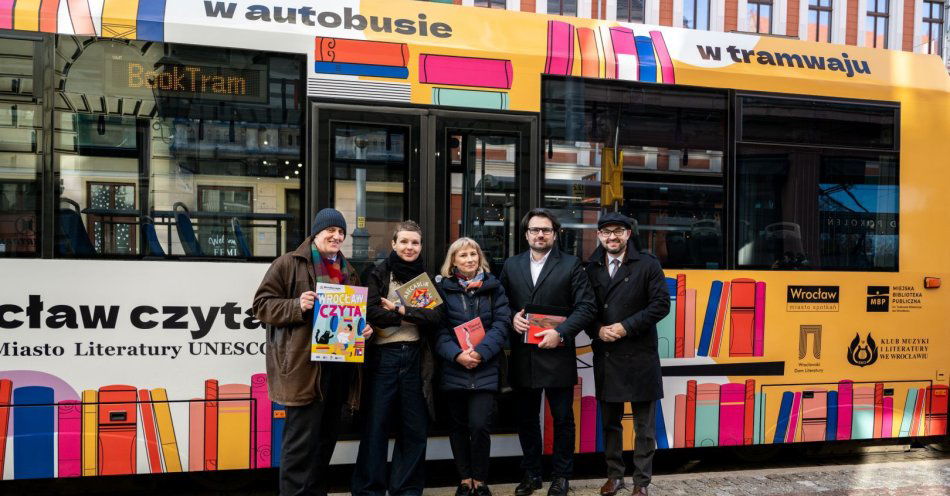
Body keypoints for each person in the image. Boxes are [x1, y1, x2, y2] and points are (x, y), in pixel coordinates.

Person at [252, 207, 373, 496]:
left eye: (341, 232)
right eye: (330, 230)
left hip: (339, 366)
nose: (336, 236)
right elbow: (261, 306)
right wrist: (297, 305)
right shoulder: (288, 263)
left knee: (325, 441)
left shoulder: (349, 271)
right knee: (299, 444)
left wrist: (362, 329)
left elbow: (349, 319)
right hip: (304, 369)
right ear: (316, 233)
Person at [499, 208, 596, 496]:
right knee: (527, 419)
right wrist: (509, 319)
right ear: (526, 234)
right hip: (523, 356)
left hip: (557, 354)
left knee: (563, 419)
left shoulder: (571, 265)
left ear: (555, 234)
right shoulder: (511, 265)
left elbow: (587, 307)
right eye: (534, 230)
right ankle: (532, 474)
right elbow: (499, 303)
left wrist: (561, 333)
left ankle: (561, 477)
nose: (540, 234)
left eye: (546, 230)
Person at [583, 212, 670, 496]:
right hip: (606, 354)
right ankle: (615, 476)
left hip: (641, 355)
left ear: (628, 234)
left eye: (618, 231)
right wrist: (598, 330)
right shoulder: (591, 268)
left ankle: (641, 483)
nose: (612, 237)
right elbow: (585, 309)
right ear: (599, 236)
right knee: (610, 424)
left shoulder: (647, 264)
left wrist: (624, 327)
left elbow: (660, 306)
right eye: (606, 232)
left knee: (644, 429)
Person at [352, 221, 442, 496]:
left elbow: (436, 317)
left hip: (415, 359)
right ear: (393, 244)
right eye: (404, 241)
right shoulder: (378, 273)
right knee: (376, 428)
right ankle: (369, 490)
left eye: (414, 242)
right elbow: (369, 312)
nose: (409, 247)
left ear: (421, 246)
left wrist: (401, 311)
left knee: (414, 429)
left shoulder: (423, 277)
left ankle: (407, 489)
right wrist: (410, 314)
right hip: (384, 358)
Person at [434, 237, 510, 496]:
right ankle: (465, 479)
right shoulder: (443, 290)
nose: (469, 259)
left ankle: (480, 479)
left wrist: (479, 352)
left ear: (480, 258)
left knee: (479, 426)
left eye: (473, 254)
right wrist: (457, 355)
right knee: (457, 427)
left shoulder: (494, 287)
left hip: (484, 367)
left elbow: (502, 325)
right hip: (454, 367)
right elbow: (438, 331)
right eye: (463, 255)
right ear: (453, 260)